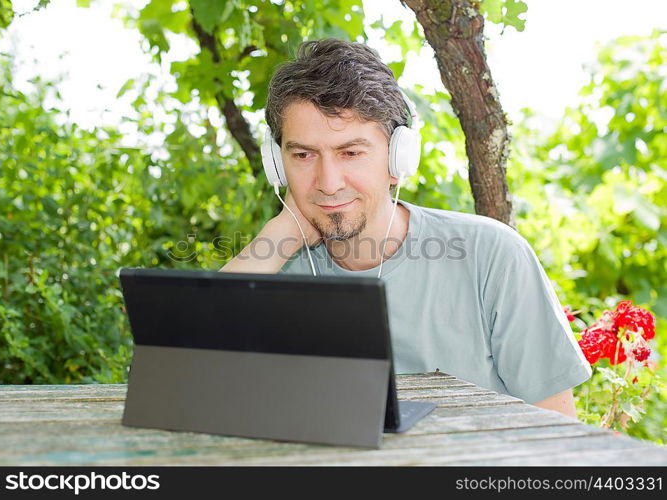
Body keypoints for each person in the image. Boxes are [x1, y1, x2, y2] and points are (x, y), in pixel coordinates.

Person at [220, 38, 591, 418]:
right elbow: (181, 367)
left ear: (398, 157)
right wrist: (277, 238)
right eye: (303, 155)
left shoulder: (491, 255)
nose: (328, 182)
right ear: (277, 165)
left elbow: (557, 429)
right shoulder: (273, 270)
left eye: (351, 152)